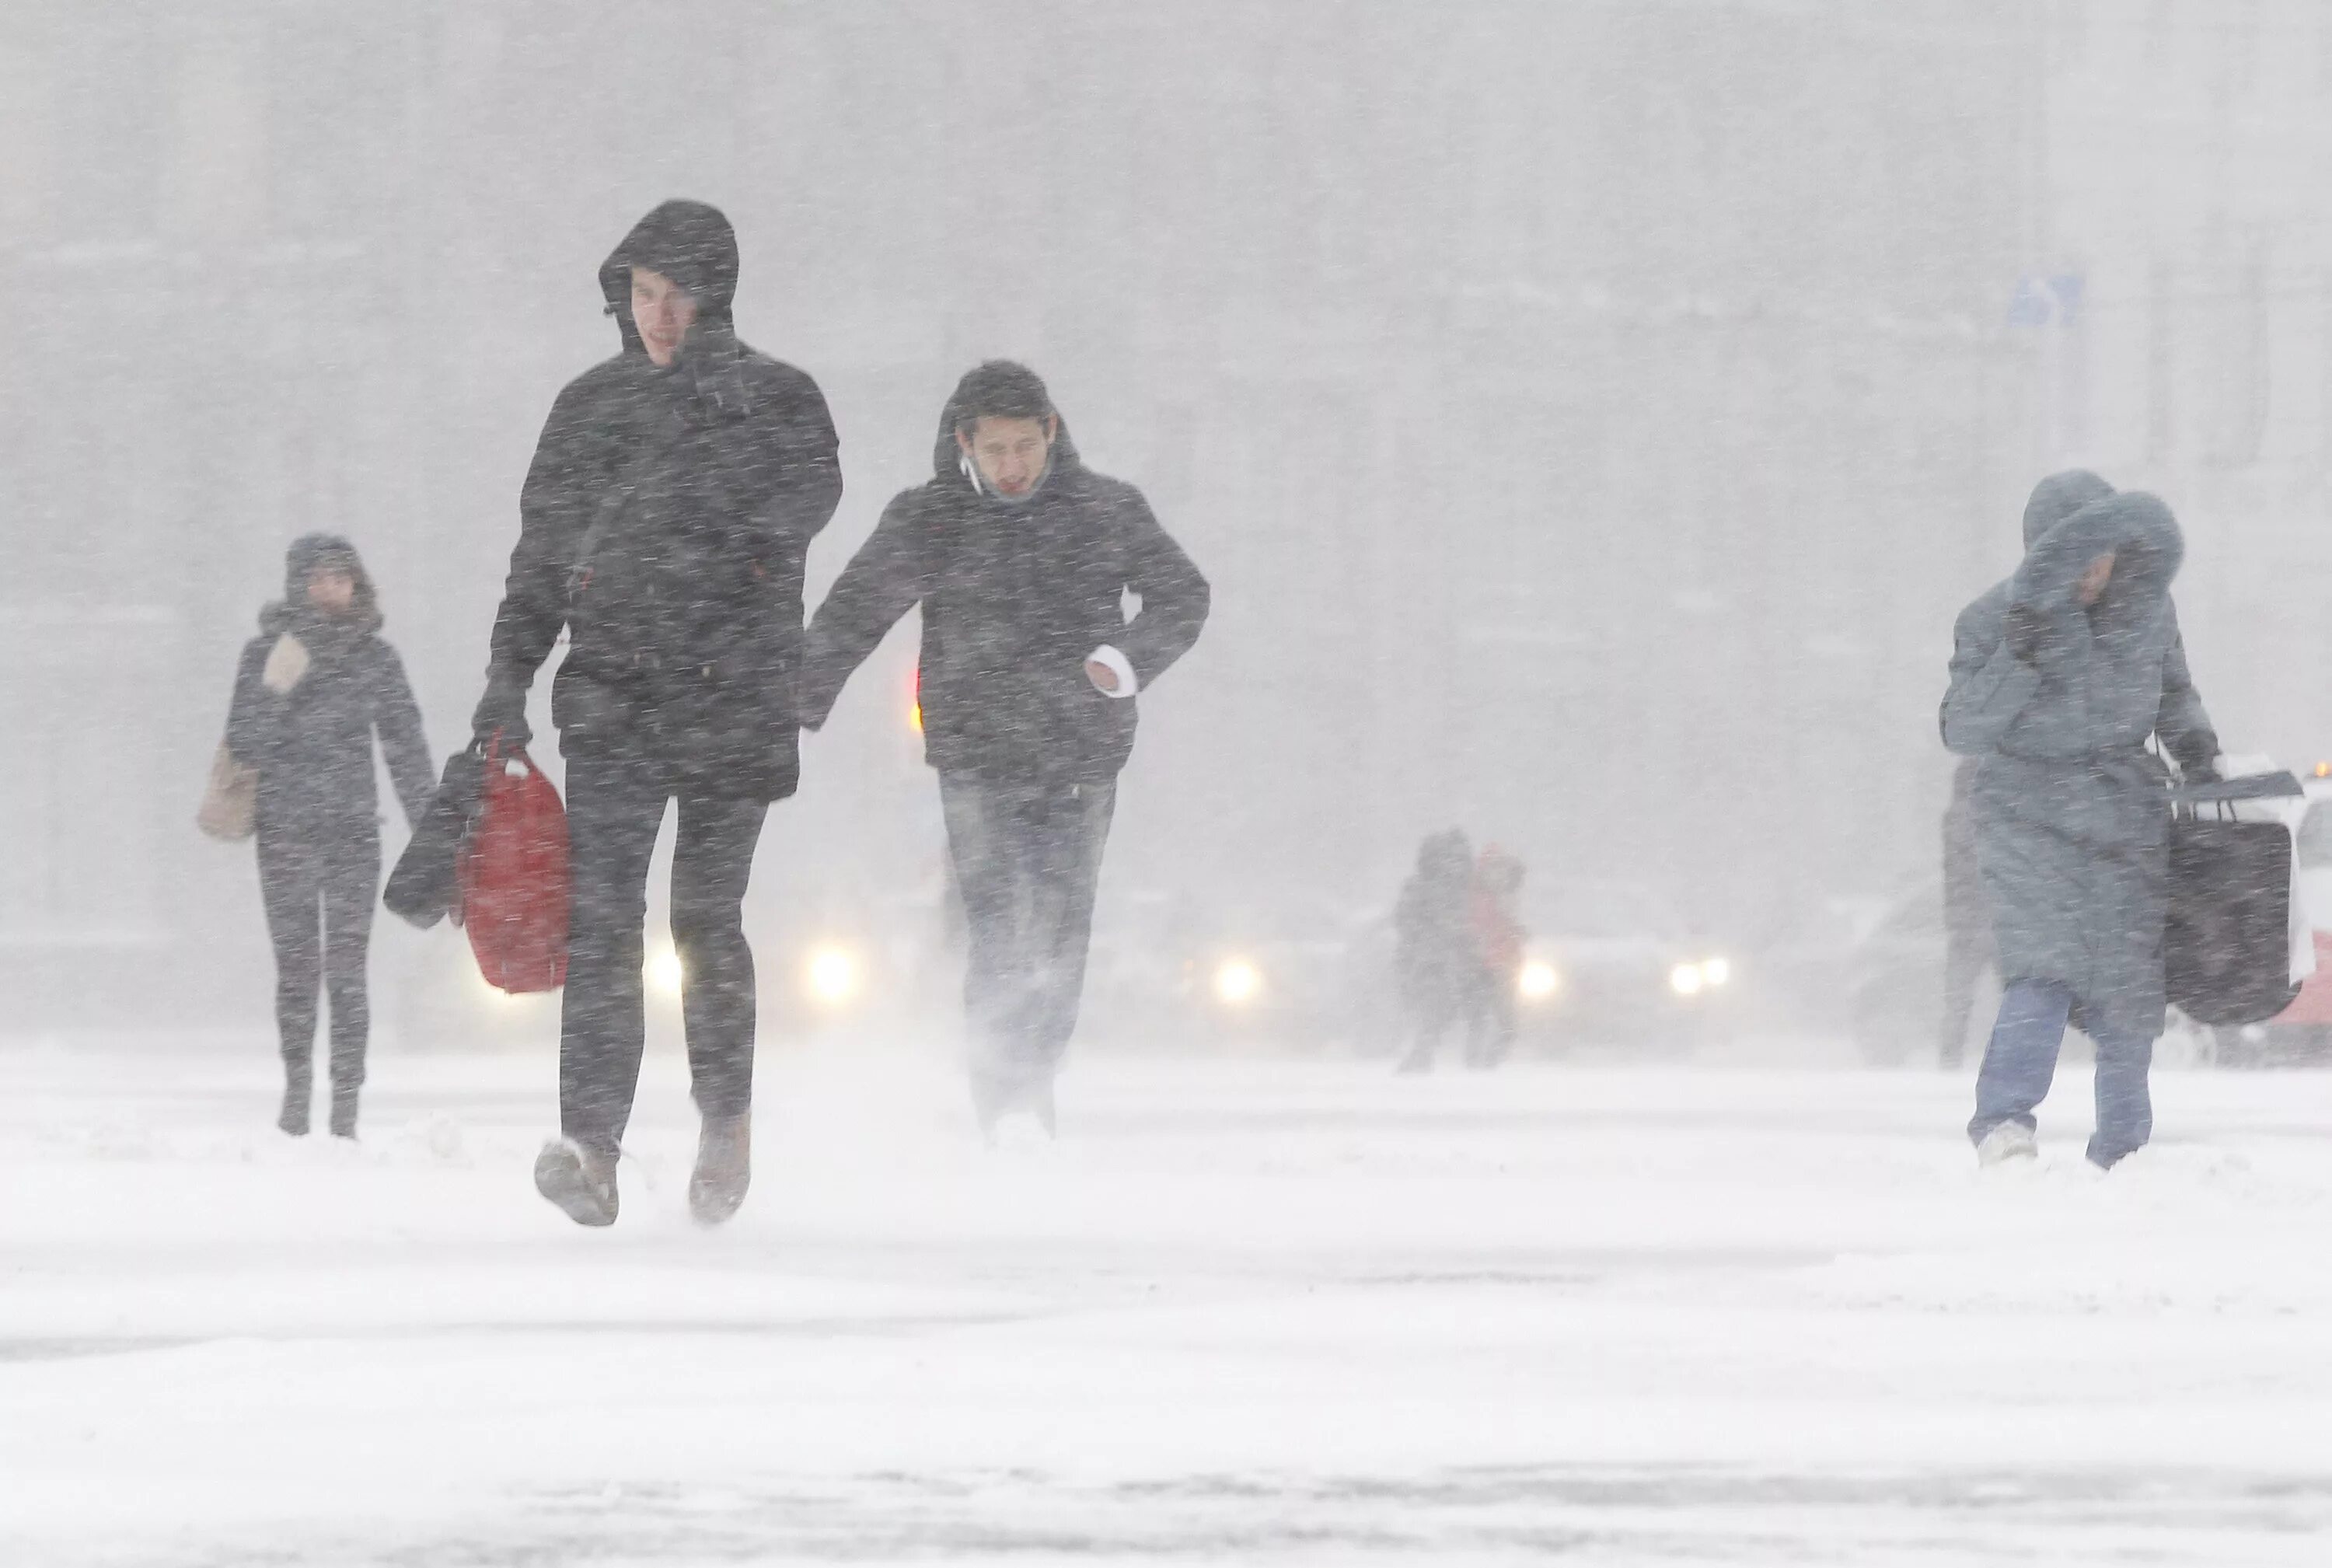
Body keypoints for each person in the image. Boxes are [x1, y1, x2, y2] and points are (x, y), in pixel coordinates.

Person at [472, 199, 842, 1226]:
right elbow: (541, 555)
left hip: (733, 692)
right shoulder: (589, 406)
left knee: (705, 920)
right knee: (601, 925)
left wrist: (708, 430)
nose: (659, 315)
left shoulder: (778, 400)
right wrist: (508, 675)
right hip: (615, 695)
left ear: (717, 298)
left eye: (679, 295)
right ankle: (590, 1143)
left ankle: (725, 1119)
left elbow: (805, 504)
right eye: (641, 294)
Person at [797, 361, 1209, 1136]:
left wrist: (1124, 662)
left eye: (1026, 446)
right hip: (976, 755)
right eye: (997, 451)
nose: (1014, 466)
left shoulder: (1104, 511)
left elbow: (1184, 595)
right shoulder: (931, 520)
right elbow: (854, 612)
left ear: (1052, 432)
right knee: (994, 926)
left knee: (1059, 925)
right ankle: (1001, 1091)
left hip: (1080, 754)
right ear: (965, 445)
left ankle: (1032, 1077)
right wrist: (794, 701)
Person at [1941, 470, 2219, 1169]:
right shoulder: (1993, 619)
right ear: (2045, 554)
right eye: (2078, 557)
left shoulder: (2151, 613)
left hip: (2124, 810)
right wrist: (2020, 654)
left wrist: (2200, 754)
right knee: (2043, 967)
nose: (2095, 571)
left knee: (2130, 984)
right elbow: (1965, 728)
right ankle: (2003, 1123)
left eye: (2105, 554)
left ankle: (2124, 1150)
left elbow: (2174, 693)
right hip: (2025, 811)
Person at [225, 535, 432, 1139]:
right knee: (295, 968)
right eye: (315, 578)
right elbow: (244, 743)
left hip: (352, 831)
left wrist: (432, 830)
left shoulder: (375, 657)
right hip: (285, 829)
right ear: (297, 585)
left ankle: (346, 1103)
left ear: (356, 583)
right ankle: (296, 1093)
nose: (327, 588)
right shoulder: (266, 652)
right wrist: (275, 685)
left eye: (338, 577)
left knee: (347, 968)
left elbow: (405, 746)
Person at [1393, 829, 1477, 1074]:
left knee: (1447, 1011)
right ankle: (1422, 1051)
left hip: (1453, 963)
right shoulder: (1419, 888)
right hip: (1427, 963)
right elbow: (1405, 920)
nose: (1454, 865)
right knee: (1435, 1008)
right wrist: (1438, 934)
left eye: (1459, 860)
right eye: (1449, 859)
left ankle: (1425, 1051)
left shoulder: (1465, 891)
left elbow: (1473, 922)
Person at [1938, 756, 1994, 1070]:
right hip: (1992, 919)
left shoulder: (1953, 819)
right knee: (2015, 1000)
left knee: (1958, 999)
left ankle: (1950, 1058)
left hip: (1963, 922)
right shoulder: (1985, 820)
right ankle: (2006, 1062)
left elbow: (1957, 874)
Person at [1463, 845, 1527, 1068]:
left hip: (1505, 966)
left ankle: (1483, 1065)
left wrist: (1515, 931)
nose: (1499, 875)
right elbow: (1481, 931)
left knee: (1502, 1025)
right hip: (1490, 968)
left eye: (1502, 869)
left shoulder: (1503, 897)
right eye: (1494, 869)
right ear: (1484, 871)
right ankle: (1479, 1066)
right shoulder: (1480, 900)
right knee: (1492, 1023)